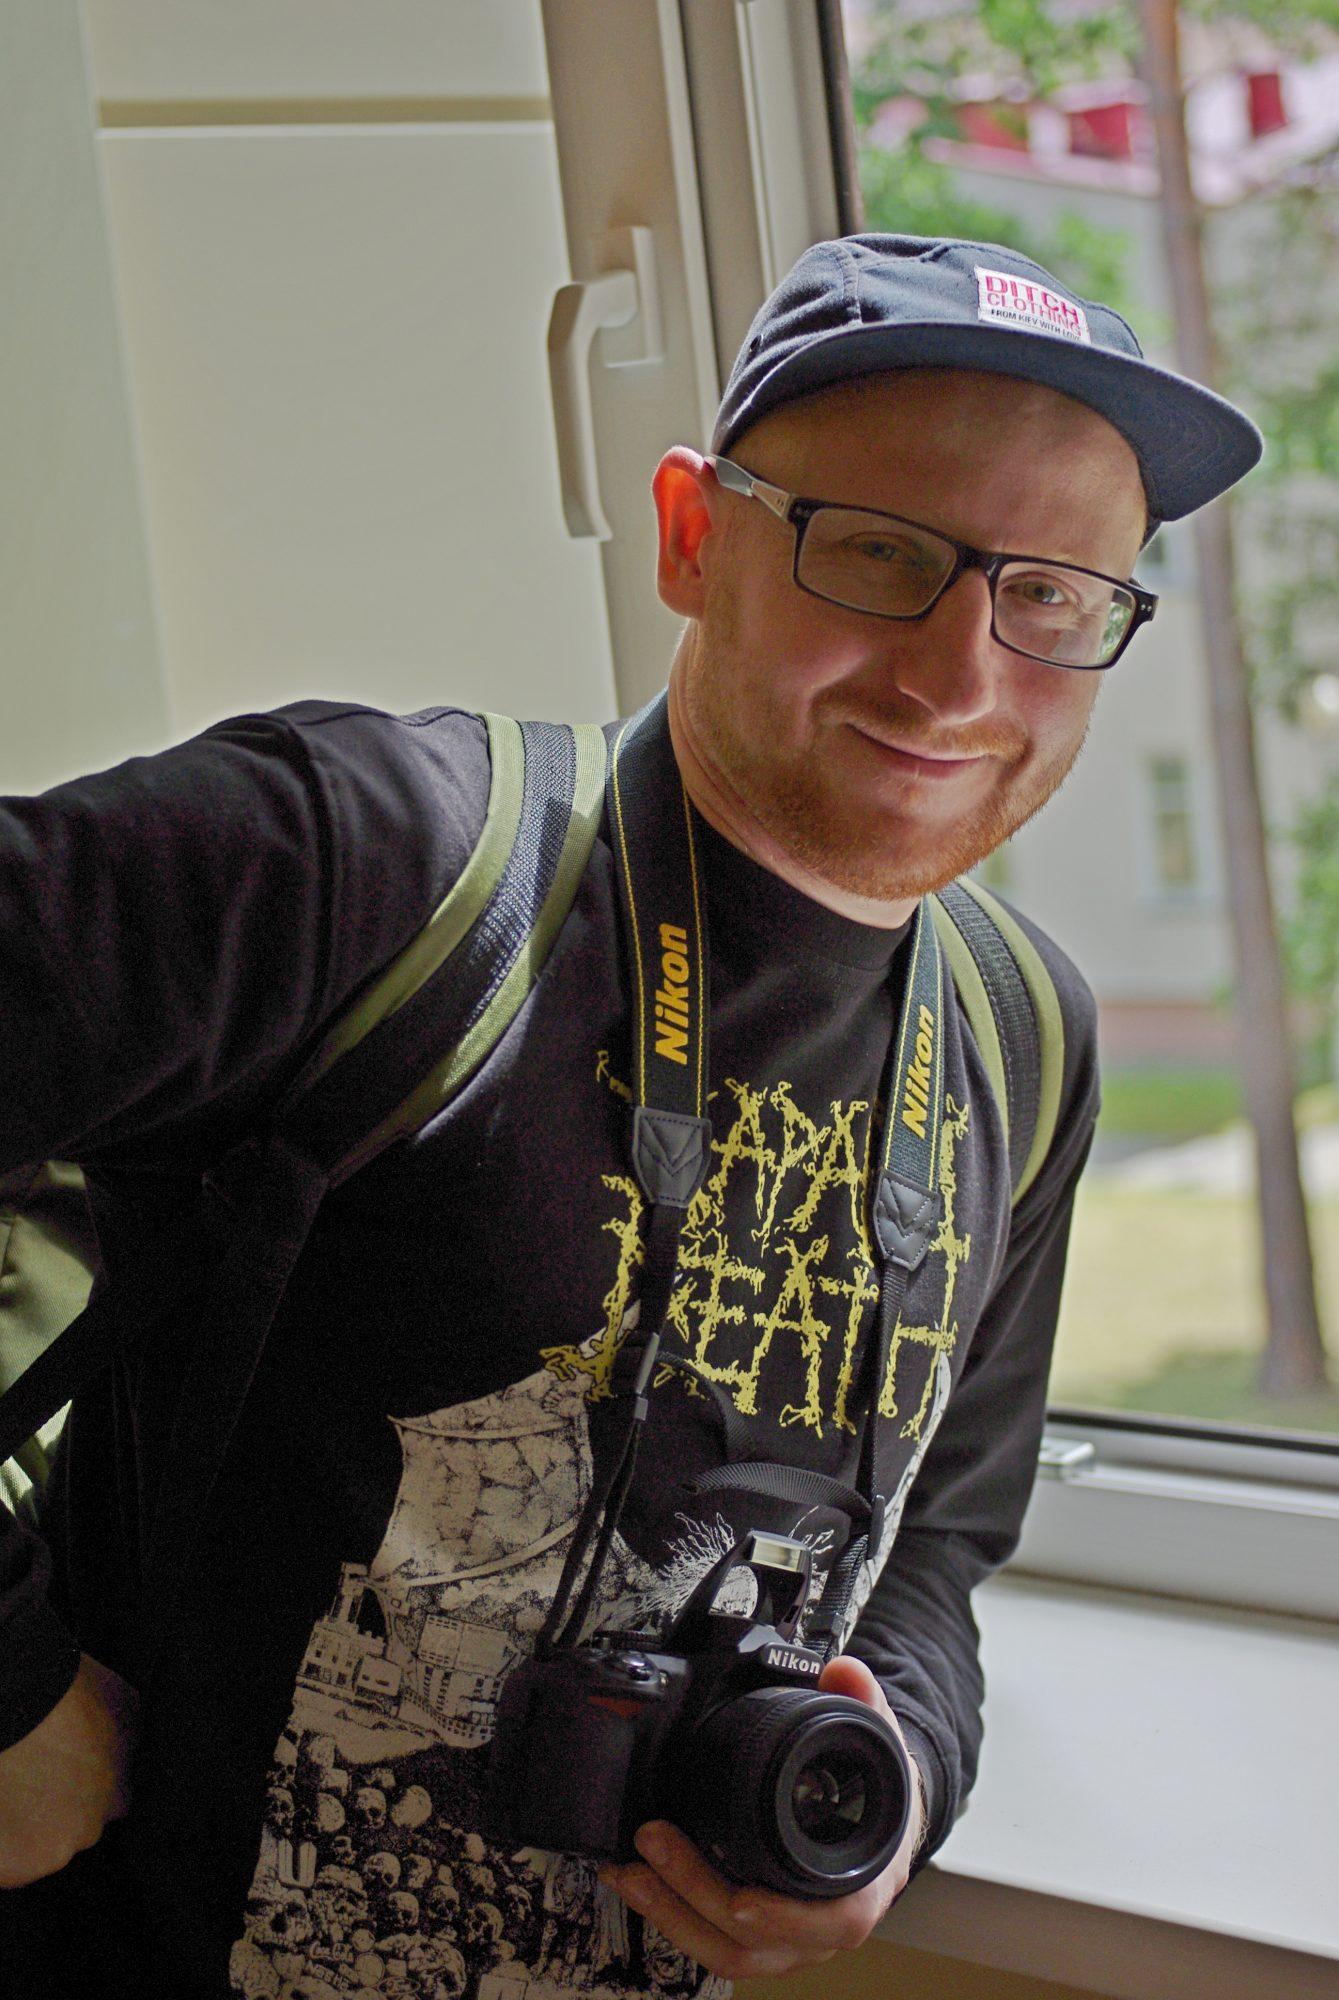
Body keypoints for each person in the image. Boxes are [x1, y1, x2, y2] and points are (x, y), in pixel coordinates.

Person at [0, 234, 1260, 1998]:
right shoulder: (370, 865)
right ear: (692, 533)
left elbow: (940, 1541)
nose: (962, 679)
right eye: (879, 552)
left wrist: (893, 1778)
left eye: (1051, 596)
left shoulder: (1022, 1034)